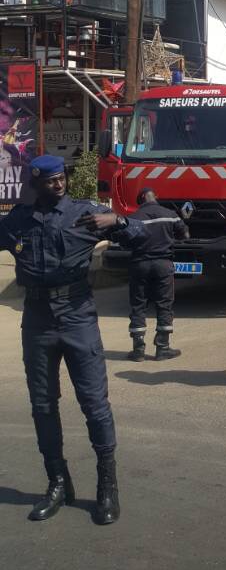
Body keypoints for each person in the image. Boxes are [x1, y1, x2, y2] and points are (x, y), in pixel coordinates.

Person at [0, 155, 144, 524]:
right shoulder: (17, 221)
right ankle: (58, 482)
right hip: (36, 321)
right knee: (43, 405)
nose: (59, 184)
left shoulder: (85, 214)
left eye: (61, 177)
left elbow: (142, 234)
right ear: (35, 184)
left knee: (94, 404)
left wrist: (120, 221)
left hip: (78, 317)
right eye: (50, 181)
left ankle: (107, 486)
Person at [128, 188, 188, 361]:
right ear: (156, 197)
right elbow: (184, 234)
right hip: (163, 264)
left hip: (139, 265)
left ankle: (138, 350)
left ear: (140, 200)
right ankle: (163, 348)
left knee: (138, 305)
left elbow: (124, 239)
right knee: (164, 304)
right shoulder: (170, 214)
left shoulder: (133, 217)